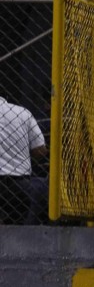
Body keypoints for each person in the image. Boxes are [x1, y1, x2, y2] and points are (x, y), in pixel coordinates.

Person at [0, 91, 47, 225]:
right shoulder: (22, 113)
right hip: (19, 182)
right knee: (40, 192)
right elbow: (40, 150)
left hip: (17, 186)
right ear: (7, 97)